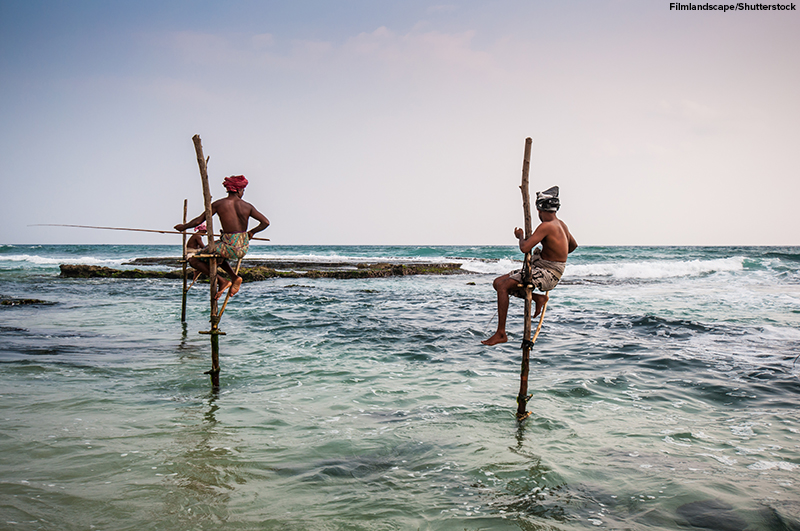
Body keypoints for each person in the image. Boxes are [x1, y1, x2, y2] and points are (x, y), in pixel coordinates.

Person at [482, 186, 577, 346]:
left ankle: (501, 333)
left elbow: (525, 248)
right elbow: (573, 246)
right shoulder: (561, 224)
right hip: (546, 267)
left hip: (548, 272)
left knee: (504, 286)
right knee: (498, 283)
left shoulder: (546, 226)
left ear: (540, 210)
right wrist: (552, 252)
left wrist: (520, 237)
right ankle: (538, 298)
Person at [175, 175, 270, 299]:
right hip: (242, 247)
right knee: (218, 254)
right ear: (238, 190)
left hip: (228, 246)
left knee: (193, 260)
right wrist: (251, 233)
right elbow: (266, 223)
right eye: (243, 190)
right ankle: (234, 277)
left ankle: (222, 281)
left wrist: (184, 227)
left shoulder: (219, 204)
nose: (243, 193)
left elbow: (199, 220)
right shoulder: (248, 206)